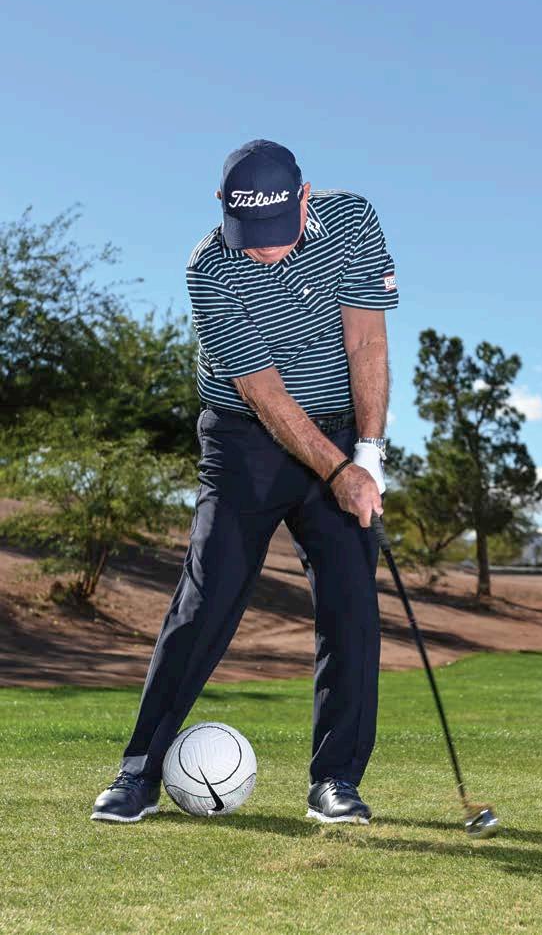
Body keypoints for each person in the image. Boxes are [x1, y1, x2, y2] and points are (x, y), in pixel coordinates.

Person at [92, 139, 399, 825]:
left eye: (277, 230)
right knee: (206, 601)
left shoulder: (353, 221)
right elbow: (264, 395)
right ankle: (138, 774)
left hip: (342, 431)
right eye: (250, 233)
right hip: (245, 441)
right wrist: (339, 471)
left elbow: (366, 342)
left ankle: (336, 781)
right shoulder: (208, 266)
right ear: (221, 207)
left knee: (351, 607)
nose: (264, 250)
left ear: (305, 198)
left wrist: (369, 452)